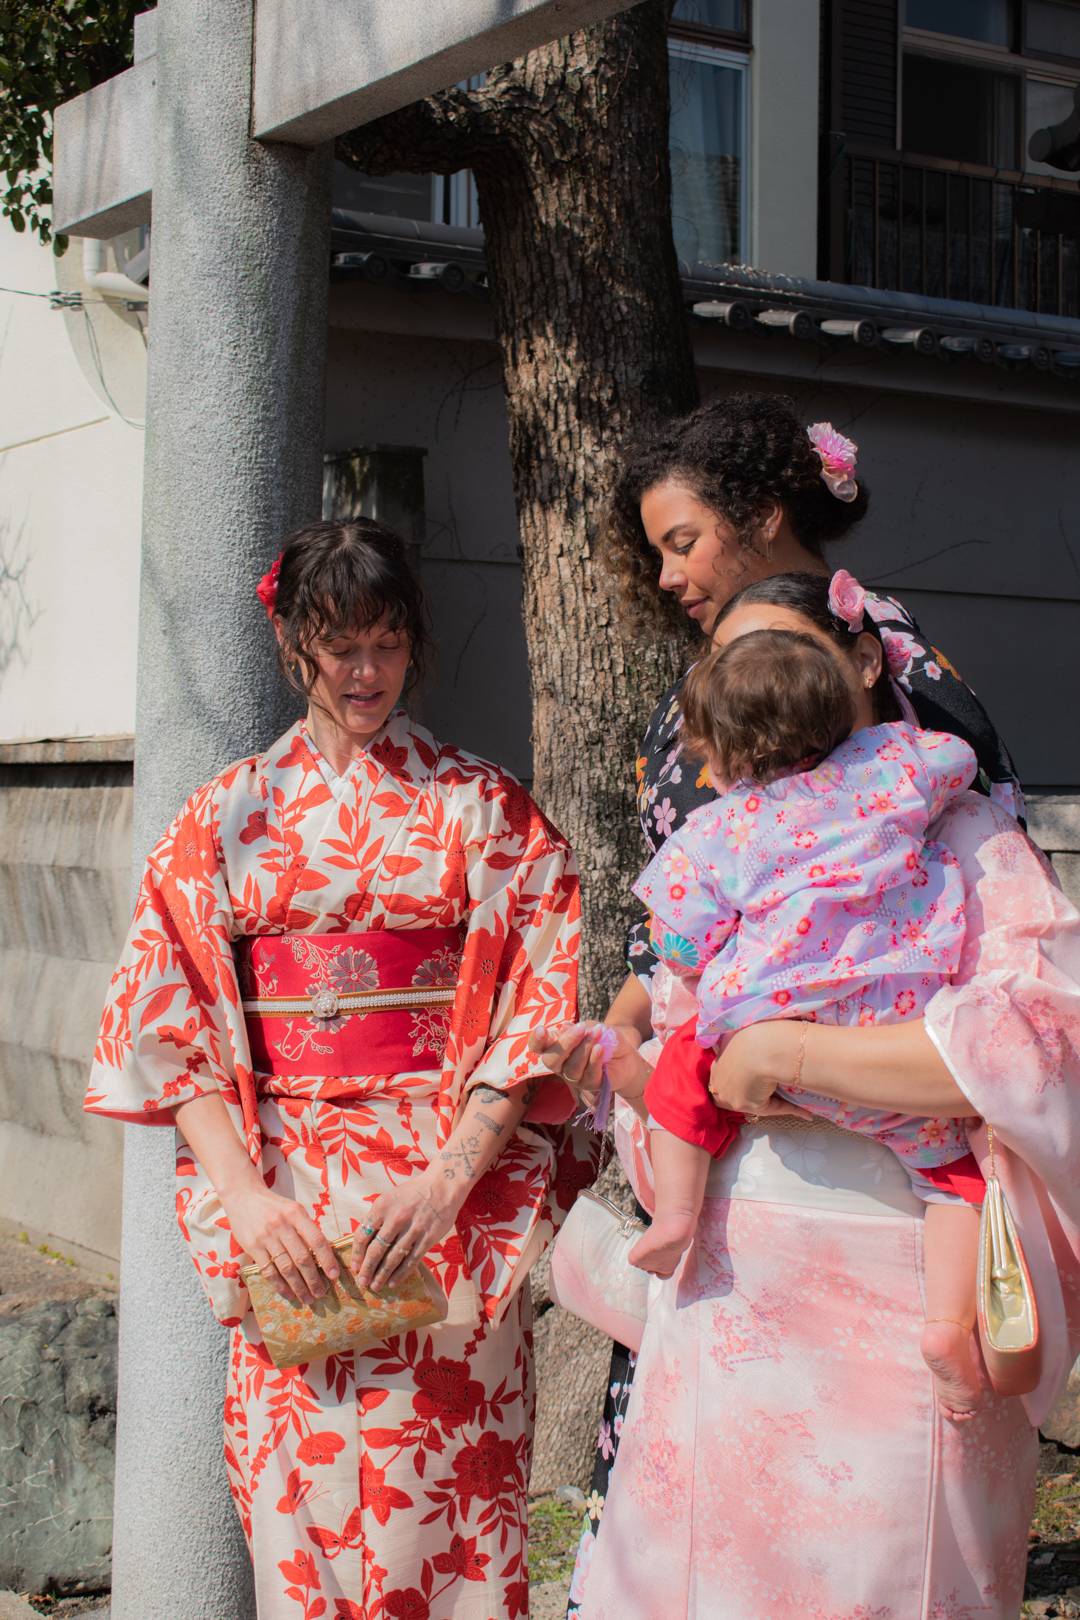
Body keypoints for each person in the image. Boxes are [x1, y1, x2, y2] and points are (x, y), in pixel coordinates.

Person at [538, 392, 1029, 1618]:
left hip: (872, 1198)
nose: (666, 576)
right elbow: (689, 923)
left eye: (684, 541)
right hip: (738, 1220)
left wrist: (780, 1046)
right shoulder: (710, 702)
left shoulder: (916, 741)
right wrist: (650, 1010)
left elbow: (1015, 1001)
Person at [85, 518, 592, 1620]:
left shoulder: (481, 807)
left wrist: (455, 1178)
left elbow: (538, 1002)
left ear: (414, 644)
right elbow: (164, 1017)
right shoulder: (225, 814)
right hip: (290, 1194)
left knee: (451, 1482)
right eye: (340, 645)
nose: (366, 672)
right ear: (293, 647)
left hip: (437, 1187)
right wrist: (244, 1197)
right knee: (297, 1482)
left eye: (388, 642)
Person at [627, 568, 1007, 1422]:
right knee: (958, 1179)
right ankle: (948, 1325)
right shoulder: (899, 769)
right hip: (894, 1028)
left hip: (768, 1032)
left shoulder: (720, 827)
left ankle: (675, 1214)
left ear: (723, 755)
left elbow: (678, 940)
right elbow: (960, 760)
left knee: (681, 1074)